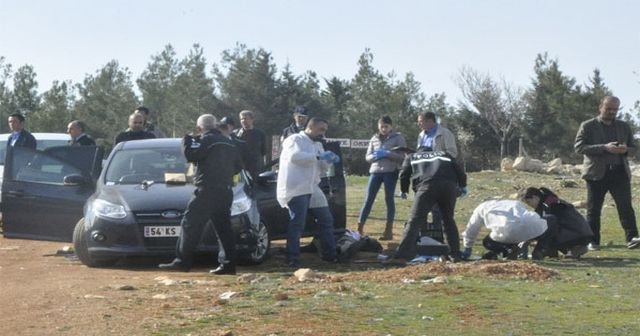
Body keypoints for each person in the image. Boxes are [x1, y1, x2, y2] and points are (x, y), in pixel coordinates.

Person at [159, 114, 243, 274]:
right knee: (223, 228)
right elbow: (239, 166)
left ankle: (182, 261)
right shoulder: (229, 143)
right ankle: (229, 264)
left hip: (206, 190)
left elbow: (191, 155)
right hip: (225, 190)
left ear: (199, 127)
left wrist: (187, 140)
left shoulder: (206, 140)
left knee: (190, 224)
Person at [574, 95, 640, 250]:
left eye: (615, 109)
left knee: (625, 207)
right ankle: (592, 240)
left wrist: (625, 150)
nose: (611, 112)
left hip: (620, 173)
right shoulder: (588, 126)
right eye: (608, 108)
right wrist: (604, 147)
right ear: (600, 107)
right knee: (594, 209)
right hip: (596, 174)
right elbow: (579, 147)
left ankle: (633, 238)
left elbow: (634, 148)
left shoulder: (624, 126)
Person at [277, 117, 339, 267]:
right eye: (321, 130)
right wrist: (318, 156)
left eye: (325, 131)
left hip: (312, 186)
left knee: (326, 219)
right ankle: (292, 257)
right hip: (297, 187)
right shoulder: (294, 139)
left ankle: (329, 255)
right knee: (297, 223)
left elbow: (321, 168)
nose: (323, 134)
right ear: (311, 127)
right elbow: (294, 157)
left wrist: (328, 160)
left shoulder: (318, 144)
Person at [395, 148, 467, 262]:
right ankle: (455, 254)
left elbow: (404, 174)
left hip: (426, 187)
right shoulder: (444, 153)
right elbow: (459, 170)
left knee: (415, 220)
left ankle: (403, 255)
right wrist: (463, 185)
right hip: (448, 187)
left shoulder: (412, 157)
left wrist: (404, 190)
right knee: (448, 220)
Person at [356, 116, 407, 240]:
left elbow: (403, 157)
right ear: (378, 126)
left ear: (391, 127)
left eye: (386, 127)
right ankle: (359, 229)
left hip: (390, 171)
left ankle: (388, 231)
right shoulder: (374, 138)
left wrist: (388, 154)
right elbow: (367, 157)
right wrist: (375, 156)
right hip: (375, 171)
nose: (384, 129)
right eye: (382, 126)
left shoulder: (398, 138)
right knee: (368, 199)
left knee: (389, 199)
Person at [414, 111, 459, 241]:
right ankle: (425, 238)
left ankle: (441, 239)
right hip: (425, 176)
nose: (419, 124)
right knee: (422, 209)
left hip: (442, 175)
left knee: (439, 211)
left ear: (430, 121)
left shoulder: (445, 133)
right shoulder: (421, 135)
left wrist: (434, 156)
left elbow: (452, 153)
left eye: (421, 121)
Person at [461, 199, 551, 260]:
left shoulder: (481, 208)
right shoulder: (513, 202)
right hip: (535, 227)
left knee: (487, 242)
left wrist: (467, 248)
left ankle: (508, 251)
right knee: (548, 221)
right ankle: (540, 249)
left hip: (507, 231)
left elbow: (471, 229)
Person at [521, 187, 592, 258]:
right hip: (577, 232)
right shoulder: (546, 203)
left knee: (548, 224)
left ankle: (577, 247)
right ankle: (565, 249)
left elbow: (548, 225)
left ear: (535, 197)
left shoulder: (550, 204)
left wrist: (531, 240)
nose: (529, 205)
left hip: (577, 233)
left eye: (528, 202)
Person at [233, 110, 267, 180]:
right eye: (241, 119)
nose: (243, 121)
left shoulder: (260, 134)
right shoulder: (235, 134)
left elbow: (263, 151)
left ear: (252, 119)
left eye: (246, 118)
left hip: (254, 168)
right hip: (239, 168)